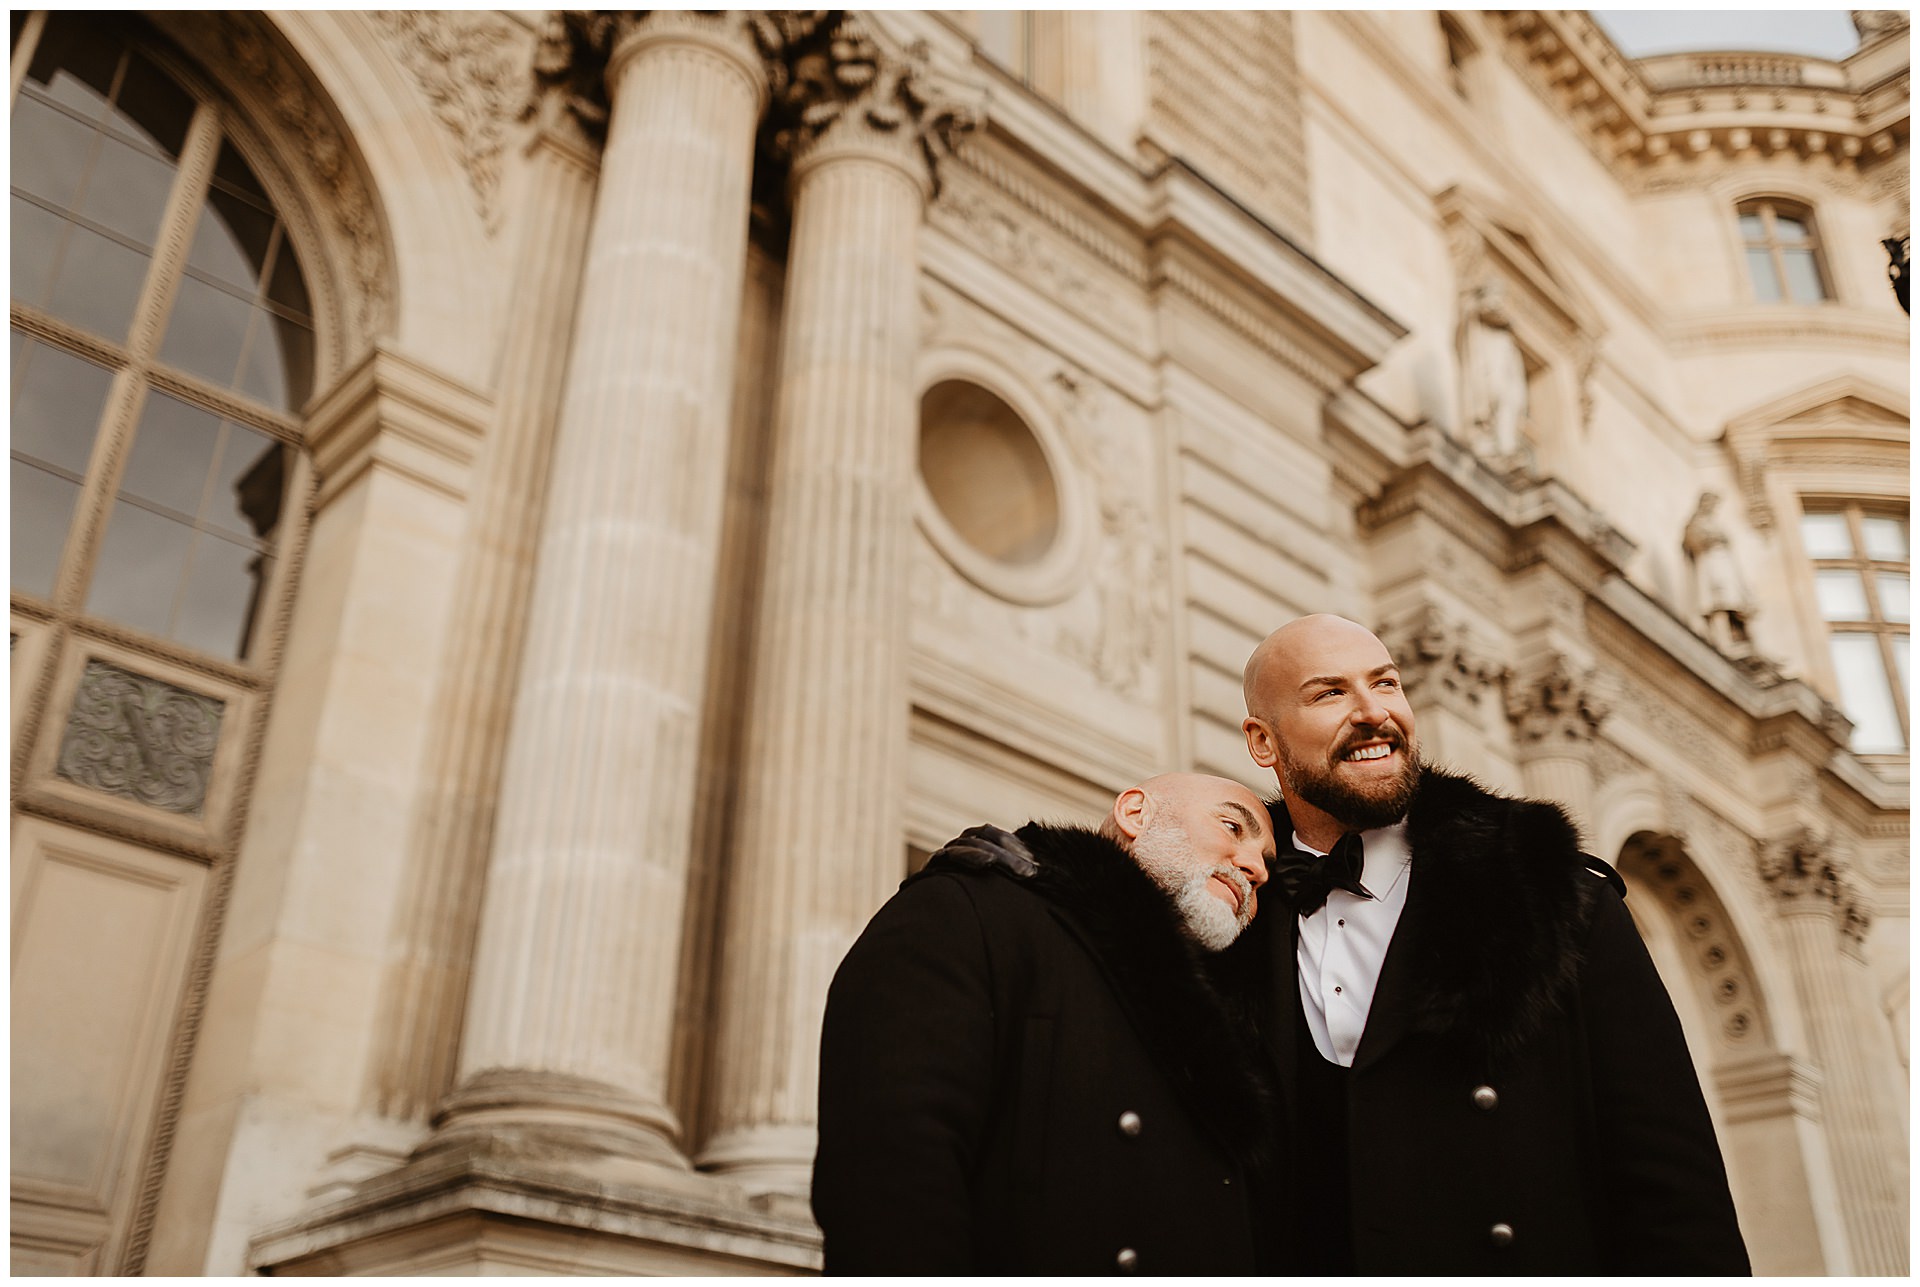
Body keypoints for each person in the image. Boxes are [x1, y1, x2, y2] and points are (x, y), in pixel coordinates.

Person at [1235, 613, 1750, 1274]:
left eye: (1386, 684)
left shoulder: (1554, 896)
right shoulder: (1225, 916)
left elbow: (1674, 1185)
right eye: (1329, 693)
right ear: (1262, 740)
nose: (1373, 712)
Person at [811, 773, 1280, 1274]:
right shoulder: (972, 911)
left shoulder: (1229, 1033)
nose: (1256, 869)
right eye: (1233, 827)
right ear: (1136, 814)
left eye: (1268, 861)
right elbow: (890, 1177)